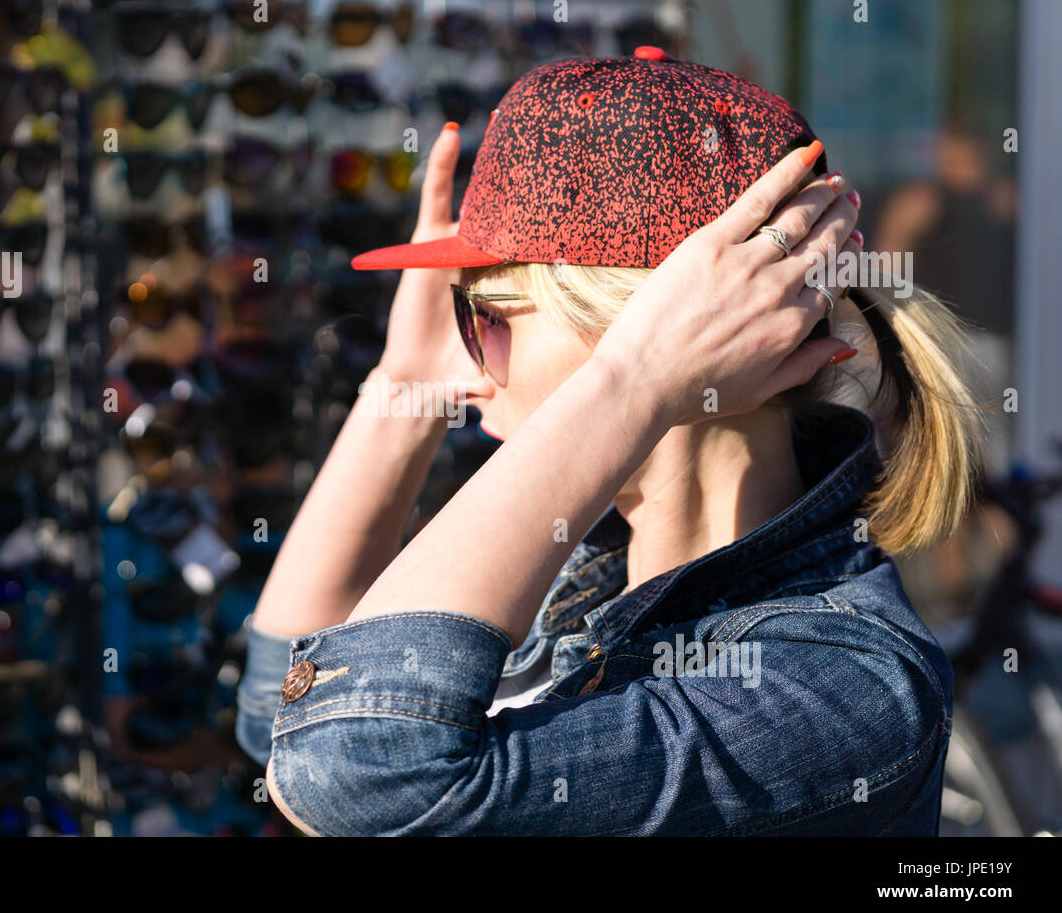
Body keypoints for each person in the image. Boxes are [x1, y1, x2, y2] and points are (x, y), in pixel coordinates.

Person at [235, 52, 986, 835]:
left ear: (652, 333)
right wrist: (403, 389)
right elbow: (277, 713)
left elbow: (356, 767)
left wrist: (634, 381)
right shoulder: (586, 568)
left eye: (487, 318)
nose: (468, 357)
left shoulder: (838, 683)